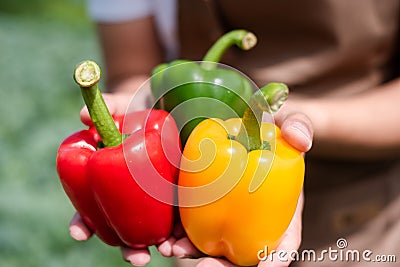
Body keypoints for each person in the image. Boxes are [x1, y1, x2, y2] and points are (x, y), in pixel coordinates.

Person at [70, 0, 400, 266]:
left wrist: (306, 122)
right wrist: (137, 130)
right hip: (192, 186)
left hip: (363, 214)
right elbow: (132, 68)